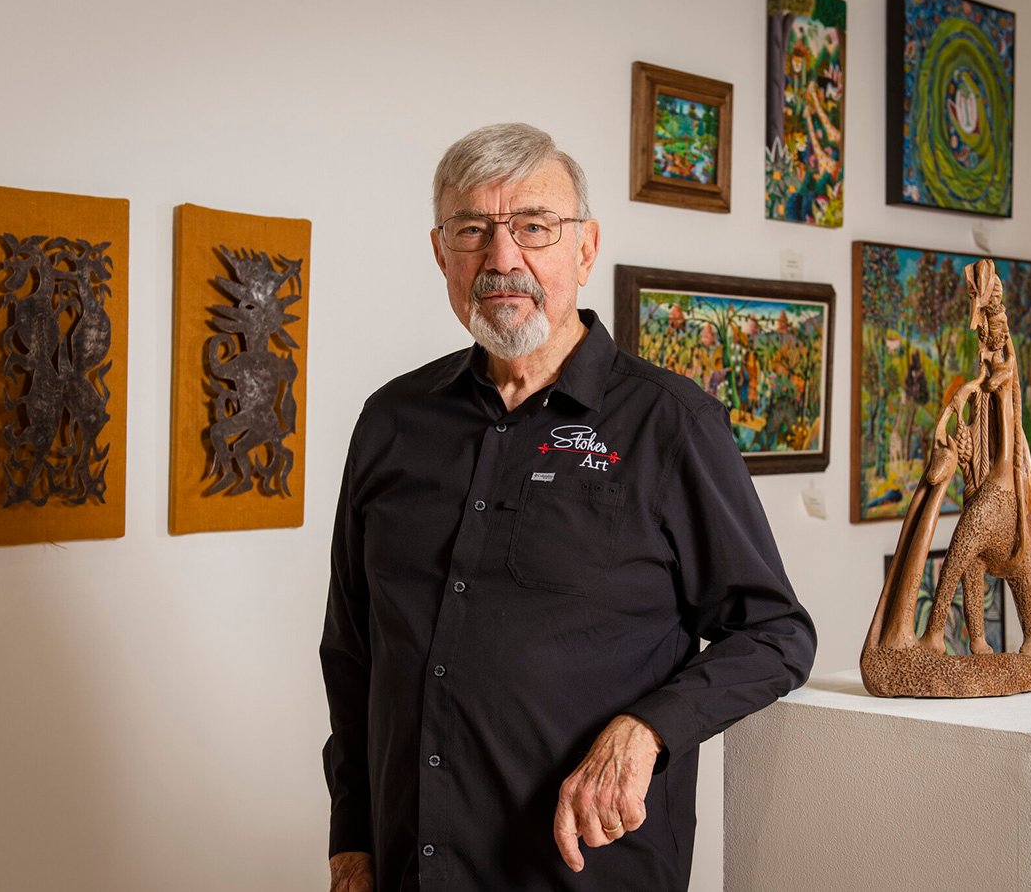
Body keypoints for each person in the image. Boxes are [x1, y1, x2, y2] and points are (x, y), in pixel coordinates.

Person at [321, 123, 816, 892]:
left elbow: (778, 633)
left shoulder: (670, 425)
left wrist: (648, 728)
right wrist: (351, 842)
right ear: (440, 253)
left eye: (533, 228)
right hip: (409, 869)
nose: (501, 258)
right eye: (472, 231)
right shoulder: (391, 421)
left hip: (584, 874)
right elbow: (352, 656)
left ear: (583, 249)